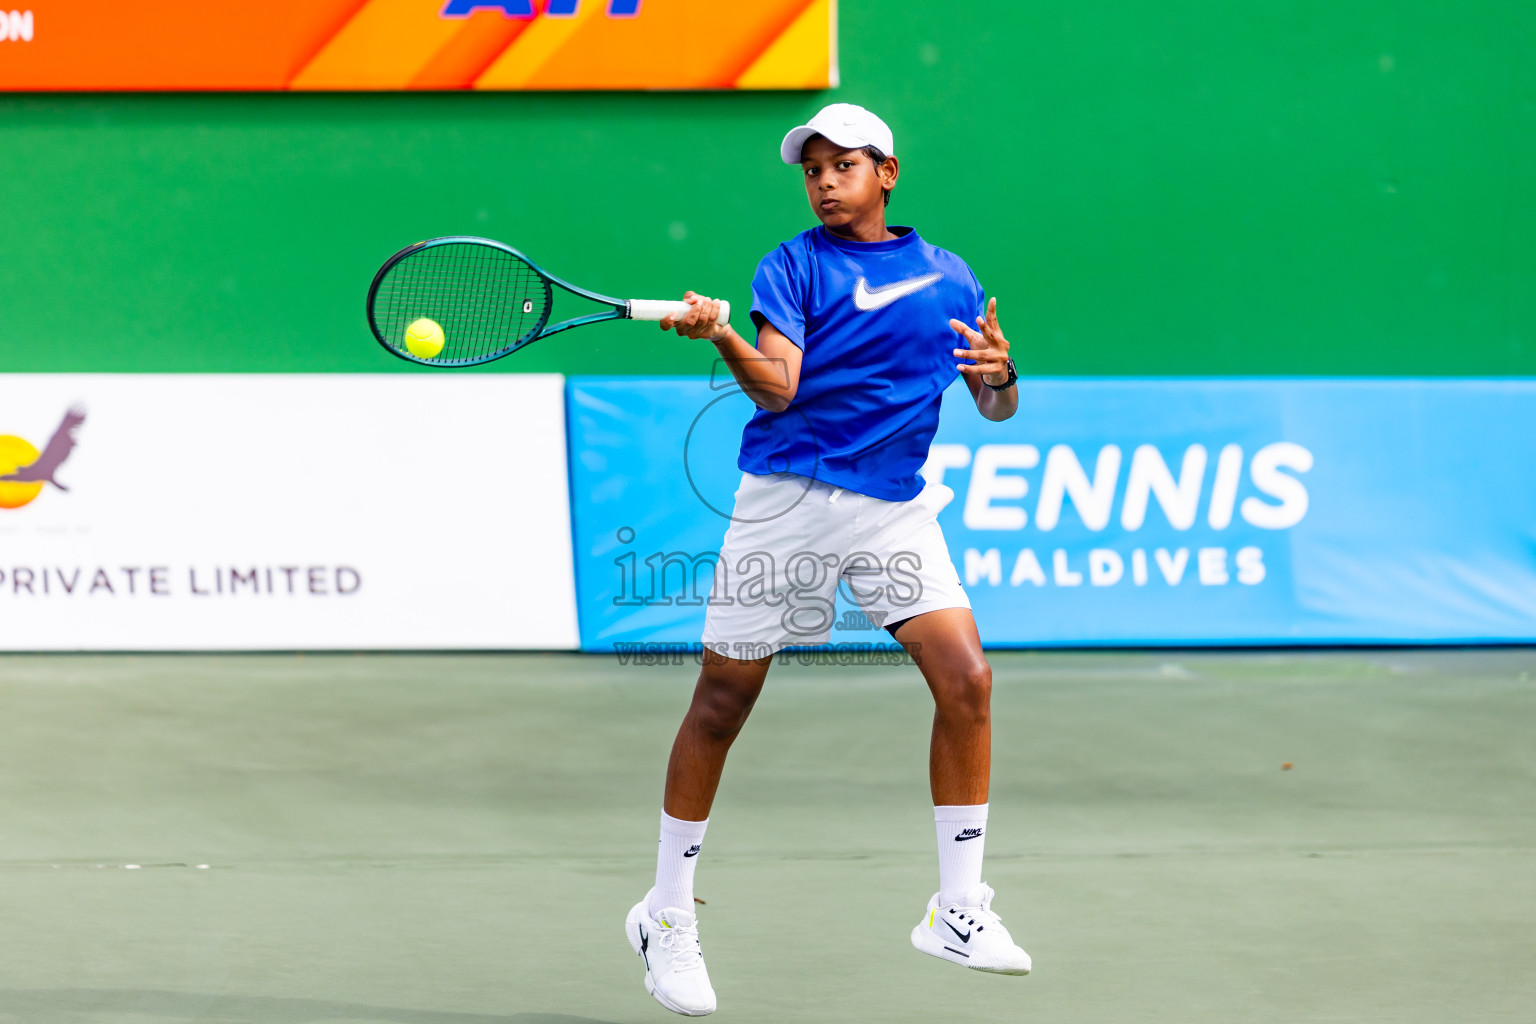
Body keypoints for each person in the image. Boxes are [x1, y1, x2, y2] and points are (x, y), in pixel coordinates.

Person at [624, 103, 1030, 1017]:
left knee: (967, 679)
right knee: (722, 704)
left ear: (887, 172)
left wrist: (1001, 377)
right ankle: (666, 914)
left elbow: (993, 407)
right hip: (788, 504)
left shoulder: (950, 278)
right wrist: (725, 336)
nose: (822, 182)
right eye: (811, 170)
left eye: (841, 165)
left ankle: (959, 908)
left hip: (892, 512)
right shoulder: (793, 265)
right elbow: (778, 391)